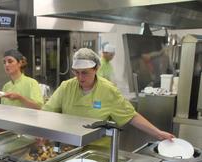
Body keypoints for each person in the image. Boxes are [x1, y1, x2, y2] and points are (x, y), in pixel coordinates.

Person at [43, 48, 174, 144]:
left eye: (85, 73)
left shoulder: (108, 90)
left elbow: (130, 116)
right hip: (69, 148)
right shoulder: (66, 87)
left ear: (96, 69)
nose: (80, 77)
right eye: (76, 73)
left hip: (98, 153)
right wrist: (40, 133)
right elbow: (47, 111)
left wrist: (158, 133)